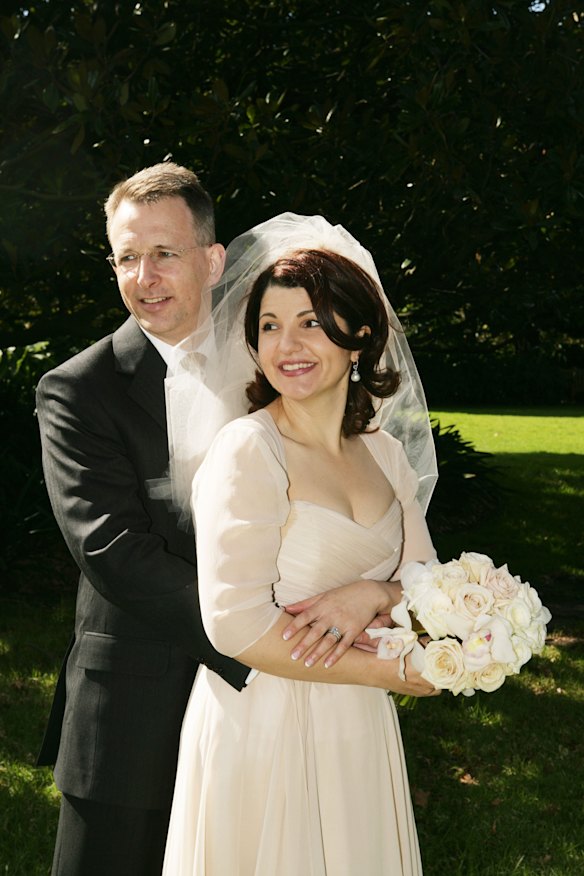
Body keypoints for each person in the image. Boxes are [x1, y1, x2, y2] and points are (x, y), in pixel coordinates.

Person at [161, 214, 441, 875]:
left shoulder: (385, 452)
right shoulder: (248, 450)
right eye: (269, 325)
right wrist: (384, 672)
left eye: (311, 322)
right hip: (262, 721)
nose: (287, 343)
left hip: (356, 728)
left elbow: (427, 581)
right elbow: (232, 624)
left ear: (360, 337)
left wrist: (373, 592)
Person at [35, 162, 251, 876]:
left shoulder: (270, 370)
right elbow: (112, 548)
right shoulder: (76, 389)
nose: (145, 276)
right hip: (128, 710)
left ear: (213, 259)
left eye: (165, 253)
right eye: (128, 257)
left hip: (258, 719)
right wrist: (256, 639)